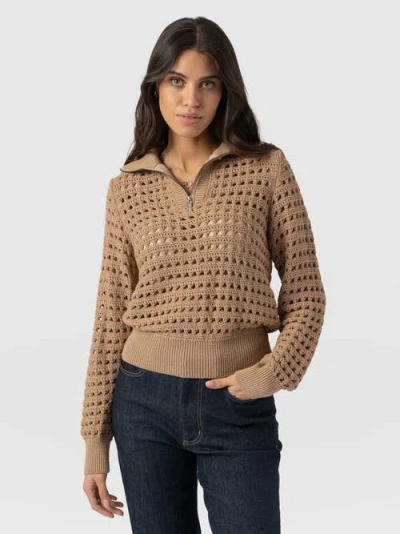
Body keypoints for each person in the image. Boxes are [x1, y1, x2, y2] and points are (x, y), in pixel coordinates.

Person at [80, 15, 326, 534]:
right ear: (155, 87)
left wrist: (274, 372)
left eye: (207, 84)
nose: (190, 99)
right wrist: (95, 443)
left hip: (238, 401)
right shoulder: (126, 188)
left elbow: (306, 290)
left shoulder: (266, 169)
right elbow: (110, 314)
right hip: (142, 403)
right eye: (177, 81)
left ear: (225, 91)